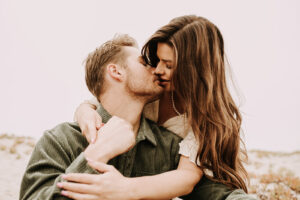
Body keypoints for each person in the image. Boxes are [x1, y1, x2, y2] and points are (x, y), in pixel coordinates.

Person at [69, 15, 255, 200]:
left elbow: (186, 177)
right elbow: (111, 98)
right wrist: (84, 110)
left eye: (168, 65)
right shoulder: (155, 89)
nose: (157, 70)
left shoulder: (205, 118)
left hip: (174, 180)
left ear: (194, 69)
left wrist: (125, 188)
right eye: (157, 60)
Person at [19, 34, 185, 200]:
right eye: (143, 63)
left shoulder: (170, 147)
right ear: (115, 71)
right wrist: (96, 154)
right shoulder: (61, 140)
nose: (156, 69)